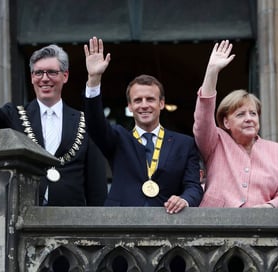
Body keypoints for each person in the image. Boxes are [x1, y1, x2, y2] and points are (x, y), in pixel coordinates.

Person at [0, 41, 107, 206]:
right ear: (32, 77)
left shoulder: (83, 122)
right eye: (38, 73)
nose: (44, 78)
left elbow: (96, 184)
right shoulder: (15, 116)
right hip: (24, 217)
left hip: (71, 222)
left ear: (65, 76)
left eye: (51, 72)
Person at [83, 37, 203, 214]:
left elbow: (194, 187)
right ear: (130, 107)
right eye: (137, 100)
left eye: (150, 99)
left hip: (167, 225)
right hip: (121, 225)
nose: (144, 105)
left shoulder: (184, 144)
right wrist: (94, 80)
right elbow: (95, 124)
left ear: (161, 104)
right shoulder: (117, 139)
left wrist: (184, 199)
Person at [193, 40, 278, 208]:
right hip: (217, 226)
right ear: (226, 122)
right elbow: (202, 118)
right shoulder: (216, 142)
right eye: (240, 114)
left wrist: (265, 209)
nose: (249, 118)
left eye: (253, 113)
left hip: (261, 227)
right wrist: (211, 72)